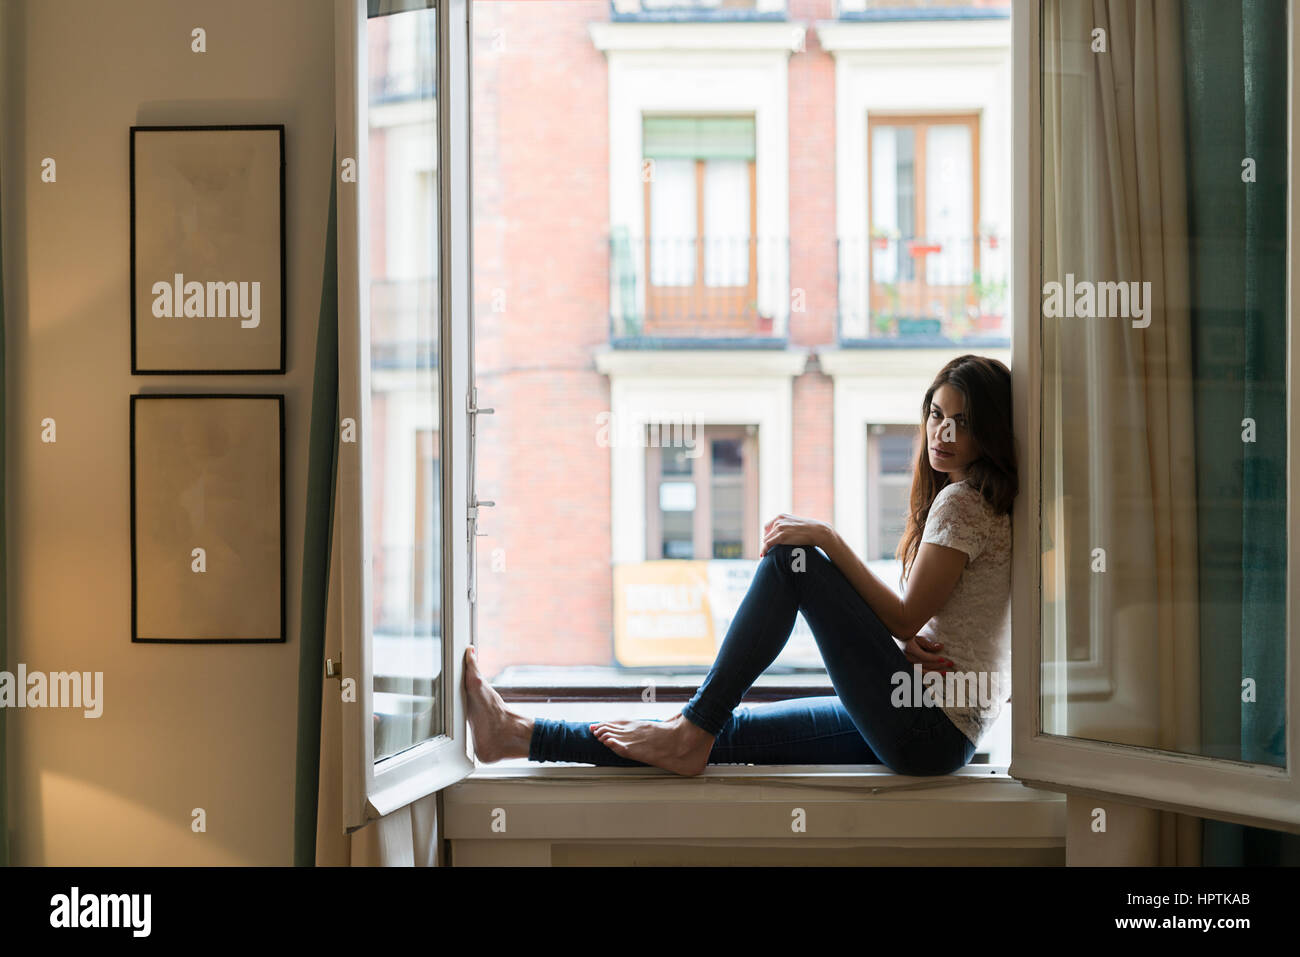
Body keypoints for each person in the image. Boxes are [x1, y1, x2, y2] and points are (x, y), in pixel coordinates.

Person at [464, 354, 1017, 777]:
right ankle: (516, 734)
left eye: (961, 423)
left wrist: (826, 537)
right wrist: (900, 643)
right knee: (724, 735)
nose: (942, 433)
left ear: (987, 433)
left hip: (928, 725)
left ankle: (691, 725)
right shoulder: (974, 499)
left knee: (791, 562)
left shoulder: (965, 500)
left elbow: (903, 616)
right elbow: (918, 622)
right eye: (935, 415)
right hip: (931, 727)